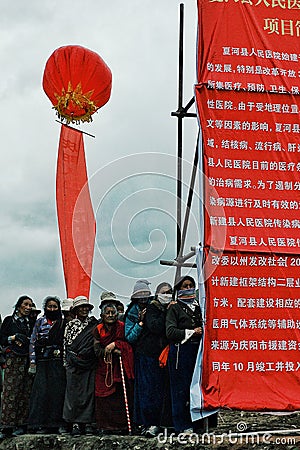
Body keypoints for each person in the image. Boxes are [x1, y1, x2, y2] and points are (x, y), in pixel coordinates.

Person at [133, 282, 174, 437]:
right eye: (164, 292)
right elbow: (155, 326)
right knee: (148, 391)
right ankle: (149, 423)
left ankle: (161, 423)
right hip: (147, 354)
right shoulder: (152, 308)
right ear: (157, 294)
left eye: (169, 291)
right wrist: (167, 313)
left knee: (161, 391)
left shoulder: (172, 307)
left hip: (162, 355)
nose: (167, 294)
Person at [166, 275, 203, 434]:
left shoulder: (200, 306)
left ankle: (200, 425)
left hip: (199, 352)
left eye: (190, 285)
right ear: (178, 290)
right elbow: (170, 331)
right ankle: (183, 425)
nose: (188, 289)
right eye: (184, 286)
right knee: (181, 390)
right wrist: (191, 332)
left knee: (199, 389)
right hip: (182, 353)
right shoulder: (174, 308)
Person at [28, 296, 67, 434]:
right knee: (41, 392)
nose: (52, 309)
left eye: (54, 307)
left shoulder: (63, 323)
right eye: (49, 306)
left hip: (57, 361)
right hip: (42, 360)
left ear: (59, 308)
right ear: (45, 308)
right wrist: (32, 362)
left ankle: (56, 423)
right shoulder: (40, 322)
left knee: (57, 392)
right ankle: (40, 424)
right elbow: (33, 341)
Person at [94, 303, 134, 435]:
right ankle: (105, 426)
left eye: (113, 313)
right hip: (104, 366)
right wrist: (108, 351)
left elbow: (128, 344)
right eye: (108, 313)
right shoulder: (98, 329)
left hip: (119, 365)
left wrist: (117, 345)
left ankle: (122, 426)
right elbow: (96, 348)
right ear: (102, 315)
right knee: (103, 396)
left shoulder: (121, 327)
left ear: (117, 315)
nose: (110, 315)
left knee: (120, 395)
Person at [0, 295, 35, 438]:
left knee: (25, 392)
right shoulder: (9, 321)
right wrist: (13, 338)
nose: (28, 308)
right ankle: (6, 426)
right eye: (25, 304)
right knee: (10, 391)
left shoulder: (31, 322)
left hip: (26, 359)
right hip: (13, 359)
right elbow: (1, 338)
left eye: (30, 305)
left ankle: (21, 425)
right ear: (18, 305)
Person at [63, 295, 98, 436]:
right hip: (74, 363)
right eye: (81, 307)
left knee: (88, 393)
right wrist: (67, 363)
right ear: (76, 310)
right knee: (73, 394)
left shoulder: (93, 324)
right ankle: (75, 423)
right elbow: (66, 345)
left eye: (86, 307)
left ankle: (87, 422)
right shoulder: (71, 325)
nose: (84, 309)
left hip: (89, 362)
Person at [124, 279, 152, 346]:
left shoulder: (155, 306)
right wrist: (140, 323)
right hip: (139, 348)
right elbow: (129, 338)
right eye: (140, 293)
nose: (143, 295)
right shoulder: (131, 313)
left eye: (145, 292)